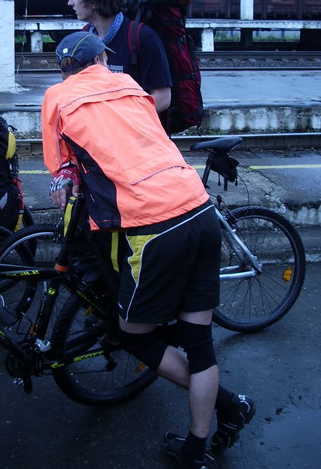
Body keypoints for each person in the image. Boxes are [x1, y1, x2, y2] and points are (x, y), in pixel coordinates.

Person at [41, 31, 255, 468]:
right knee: (199, 343)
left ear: (65, 69)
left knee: (133, 336)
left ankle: (224, 409)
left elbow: (59, 165)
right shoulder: (128, 84)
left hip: (151, 225)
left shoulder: (58, 97)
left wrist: (67, 177)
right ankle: (203, 440)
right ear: (102, 59)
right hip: (197, 207)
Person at [67, 0, 172, 113]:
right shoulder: (83, 38)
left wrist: (120, 119)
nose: (70, 2)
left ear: (94, 1)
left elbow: (163, 98)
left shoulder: (142, 37)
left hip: (134, 127)